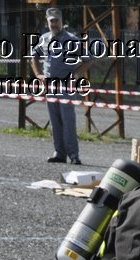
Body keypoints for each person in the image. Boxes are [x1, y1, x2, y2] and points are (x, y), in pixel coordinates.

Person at [29, 7, 88, 165]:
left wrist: (75, 76)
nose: (54, 24)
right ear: (48, 23)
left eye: (56, 21)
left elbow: (88, 60)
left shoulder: (72, 40)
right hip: (50, 85)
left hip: (65, 85)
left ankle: (73, 155)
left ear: (62, 22)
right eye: (51, 21)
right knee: (55, 120)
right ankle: (59, 153)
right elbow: (33, 57)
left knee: (68, 121)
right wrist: (38, 74)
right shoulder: (44, 39)